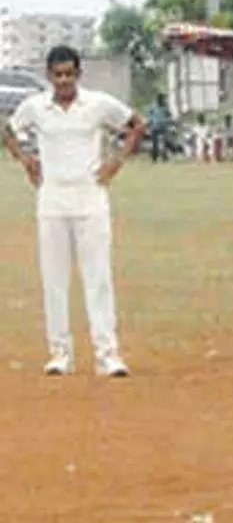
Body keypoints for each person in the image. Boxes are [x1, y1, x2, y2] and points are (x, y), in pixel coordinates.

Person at [1, 45, 146, 377]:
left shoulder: (97, 104)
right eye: (57, 75)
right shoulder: (36, 107)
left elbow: (137, 123)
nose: (64, 81)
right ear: (50, 77)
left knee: (98, 278)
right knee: (54, 279)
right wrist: (26, 161)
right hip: (51, 198)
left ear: (79, 74)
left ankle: (107, 354)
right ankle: (59, 353)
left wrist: (115, 163)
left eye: (69, 74)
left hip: (91, 197)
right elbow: (9, 130)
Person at [146, 94, 172, 163]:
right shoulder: (153, 107)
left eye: (161, 100)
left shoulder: (165, 107)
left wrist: (168, 120)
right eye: (159, 100)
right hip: (155, 127)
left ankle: (164, 157)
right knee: (155, 144)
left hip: (163, 127)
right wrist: (149, 122)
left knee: (164, 143)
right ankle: (155, 158)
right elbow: (149, 115)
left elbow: (169, 115)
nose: (160, 101)